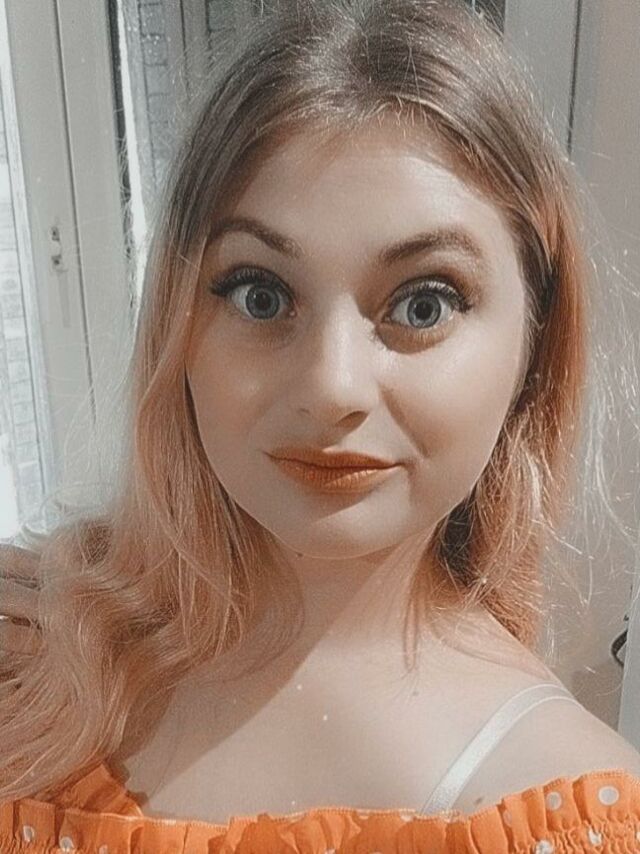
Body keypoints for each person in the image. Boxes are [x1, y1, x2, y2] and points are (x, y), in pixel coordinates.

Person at [2, 0, 640, 851]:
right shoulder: (29, 649)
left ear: (535, 342)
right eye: (261, 295)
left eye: (424, 303)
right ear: (176, 328)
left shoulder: (577, 819)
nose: (330, 386)